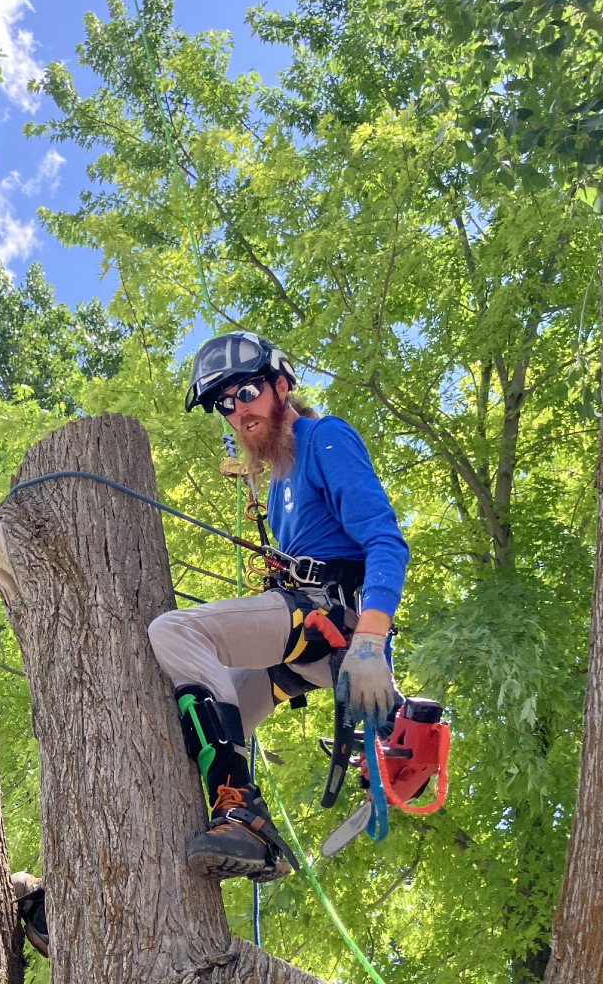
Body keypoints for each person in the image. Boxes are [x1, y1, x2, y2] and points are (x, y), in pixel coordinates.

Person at [148, 330, 409, 882]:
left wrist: (370, 641)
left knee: (173, 633)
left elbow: (384, 540)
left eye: (245, 391)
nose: (236, 411)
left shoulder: (324, 439)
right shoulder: (278, 482)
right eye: (224, 403)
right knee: (200, 731)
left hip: (326, 621)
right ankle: (255, 840)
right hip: (296, 644)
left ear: (280, 384)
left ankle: (238, 807)